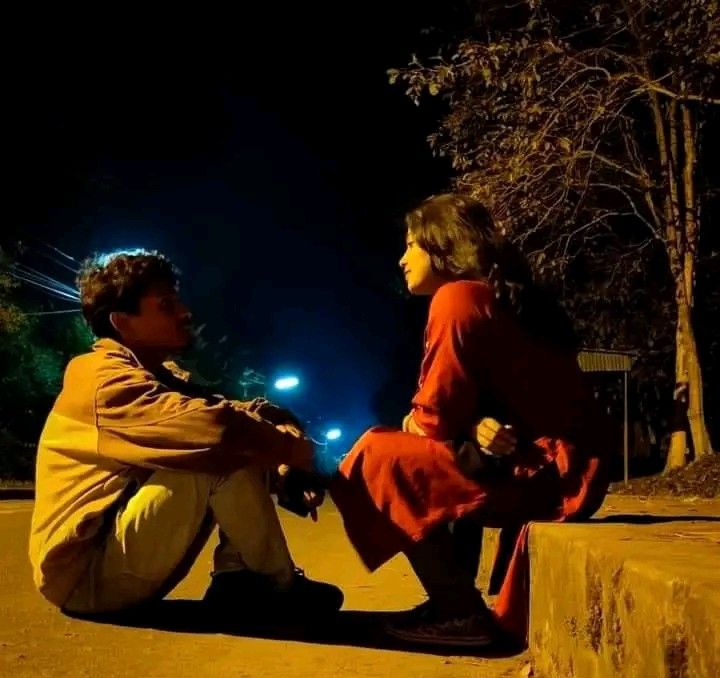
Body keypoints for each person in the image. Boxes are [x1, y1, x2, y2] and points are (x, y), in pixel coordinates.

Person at [329, 194, 611, 648]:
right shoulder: (496, 294)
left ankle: (458, 610)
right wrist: (476, 424)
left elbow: (433, 417)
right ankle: (452, 604)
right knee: (434, 454)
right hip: (564, 467)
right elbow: (489, 405)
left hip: (551, 474)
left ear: (441, 246)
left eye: (411, 245)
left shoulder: (458, 298)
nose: (401, 259)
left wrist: (423, 422)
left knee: (379, 454)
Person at [29, 250, 342, 623]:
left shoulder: (157, 376)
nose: (184, 312)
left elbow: (245, 414)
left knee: (241, 436)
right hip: (86, 576)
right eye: (166, 305)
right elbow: (217, 429)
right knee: (217, 446)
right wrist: (308, 457)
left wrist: (283, 460)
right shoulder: (100, 378)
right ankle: (273, 585)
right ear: (121, 322)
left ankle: (238, 580)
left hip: (117, 562)